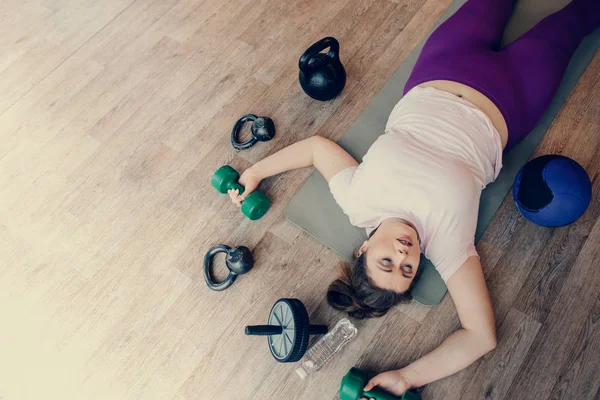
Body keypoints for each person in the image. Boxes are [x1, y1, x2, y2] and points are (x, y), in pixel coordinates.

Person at [227, 0, 600, 396]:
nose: (404, 255)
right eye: (406, 270)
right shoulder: (447, 246)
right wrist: (408, 377)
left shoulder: (358, 201)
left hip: (443, 66)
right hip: (511, 98)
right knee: (576, 20)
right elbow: (480, 335)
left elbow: (316, 149)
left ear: (364, 248)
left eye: (386, 261)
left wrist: (254, 172)